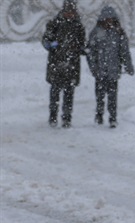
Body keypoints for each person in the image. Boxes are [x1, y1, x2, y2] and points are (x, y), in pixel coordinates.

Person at [86, 6, 134, 128]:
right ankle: (99, 115)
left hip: (113, 70)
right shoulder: (96, 32)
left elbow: (124, 51)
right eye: (106, 18)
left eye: (111, 19)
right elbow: (90, 52)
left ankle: (113, 117)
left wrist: (128, 66)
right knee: (100, 95)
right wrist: (93, 68)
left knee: (113, 96)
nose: (108, 21)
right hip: (100, 71)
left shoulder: (119, 33)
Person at [42, 0, 85, 128]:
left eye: (71, 11)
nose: (69, 14)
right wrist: (51, 45)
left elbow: (82, 44)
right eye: (67, 11)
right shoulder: (54, 24)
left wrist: (81, 49)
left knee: (69, 94)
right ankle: (53, 117)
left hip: (72, 65)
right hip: (56, 63)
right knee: (55, 93)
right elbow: (45, 40)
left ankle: (67, 118)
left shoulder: (78, 26)